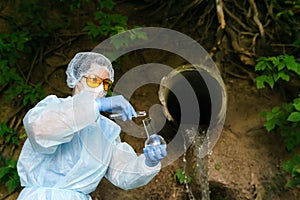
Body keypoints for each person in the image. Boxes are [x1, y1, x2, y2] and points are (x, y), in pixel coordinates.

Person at [17, 52, 167, 199]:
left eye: (106, 83)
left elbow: (121, 172)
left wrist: (148, 163)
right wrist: (95, 105)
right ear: (76, 80)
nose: (101, 88)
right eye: (94, 80)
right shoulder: (54, 107)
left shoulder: (107, 130)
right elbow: (40, 131)